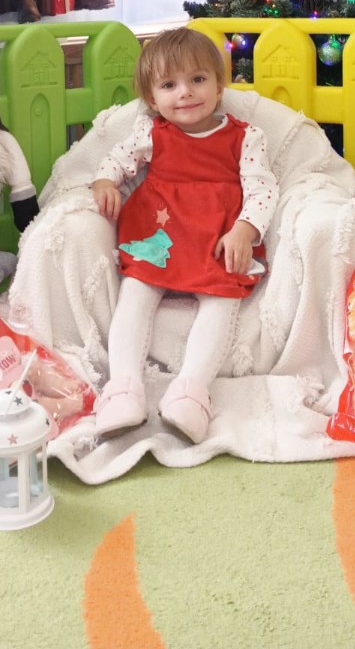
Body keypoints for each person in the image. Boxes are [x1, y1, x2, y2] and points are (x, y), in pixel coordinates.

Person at [90, 27, 279, 443]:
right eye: (169, 85)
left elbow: (263, 189)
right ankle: (123, 388)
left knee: (222, 300)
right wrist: (105, 182)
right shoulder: (150, 132)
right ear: (152, 98)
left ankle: (191, 392)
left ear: (218, 85)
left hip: (217, 235)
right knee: (136, 292)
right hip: (160, 231)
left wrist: (244, 230)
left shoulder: (246, 137)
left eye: (198, 79)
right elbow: (116, 160)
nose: (186, 93)